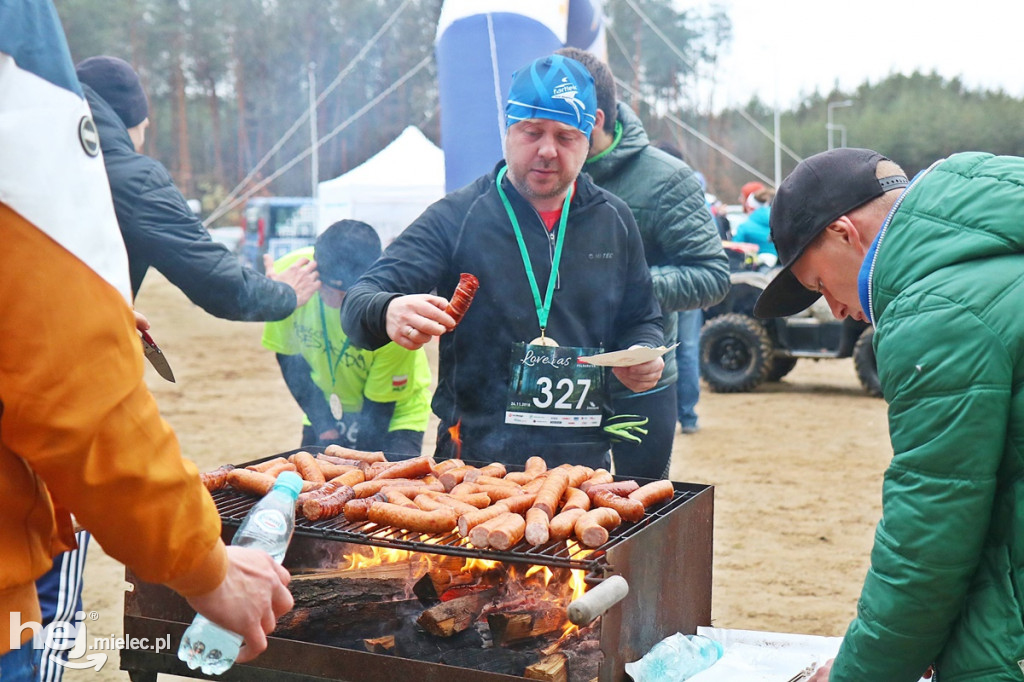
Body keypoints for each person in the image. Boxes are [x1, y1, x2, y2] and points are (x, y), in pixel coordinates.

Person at [0, 3, 292, 680]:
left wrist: (101, 315)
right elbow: (67, 386)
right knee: (52, 621)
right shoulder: (30, 86)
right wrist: (207, 567)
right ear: (136, 122)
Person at [754, 147, 1024, 682]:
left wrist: (858, 673)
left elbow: (930, 536)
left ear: (843, 233)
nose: (832, 307)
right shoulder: (990, 234)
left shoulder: (933, 312)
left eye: (816, 284)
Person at [340, 53, 665, 470]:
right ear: (508, 131)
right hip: (473, 465)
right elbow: (358, 301)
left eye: (566, 136)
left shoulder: (614, 219)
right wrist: (386, 310)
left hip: (582, 469)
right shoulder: (458, 216)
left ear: (588, 140)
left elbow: (643, 317)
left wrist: (642, 350)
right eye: (532, 132)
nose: (547, 150)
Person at [555, 47, 729, 473]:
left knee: (639, 512)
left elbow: (711, 275)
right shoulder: (535, 173)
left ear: (594, 119)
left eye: (561, 127)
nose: (547, 145)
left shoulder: (667, 179)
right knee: (550, 513)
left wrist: (626, 287)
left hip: (637, 377)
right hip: (555, 378)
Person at [74, 55, 320, 320]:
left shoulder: (46, 162)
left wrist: (106, 307)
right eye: (144, 122)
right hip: (76, 354)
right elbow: (218, 282)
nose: (146, 127)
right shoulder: (135, 179)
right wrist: (285, 293)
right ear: (130, 117)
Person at [262, 220, 432, 455]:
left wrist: (355, 465)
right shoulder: (290, 278)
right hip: (325, 403)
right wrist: (325, 427)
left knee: (377, 483)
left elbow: (379, 411)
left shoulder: (393, 312)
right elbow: (289, 359)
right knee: (310, 483)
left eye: (350, 294)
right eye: (331, 291)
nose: (340, 303)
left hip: (393, 413)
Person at [733, 186, 777, 260]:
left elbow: (735, 249)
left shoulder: (744, 227)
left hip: (754, 268)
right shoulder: (781, 221)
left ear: (751, 208)